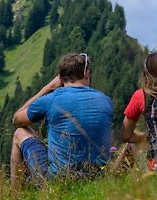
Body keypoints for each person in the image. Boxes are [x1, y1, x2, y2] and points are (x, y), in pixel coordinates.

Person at [10, 53, 113, 191]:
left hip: (59, 179)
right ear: (87, 73)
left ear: (60, 77)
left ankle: (14, 196)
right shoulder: (105, 100)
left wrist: (48, 88)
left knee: (20, 133)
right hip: (97, 176)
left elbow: (17, 120)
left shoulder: (52, 99)